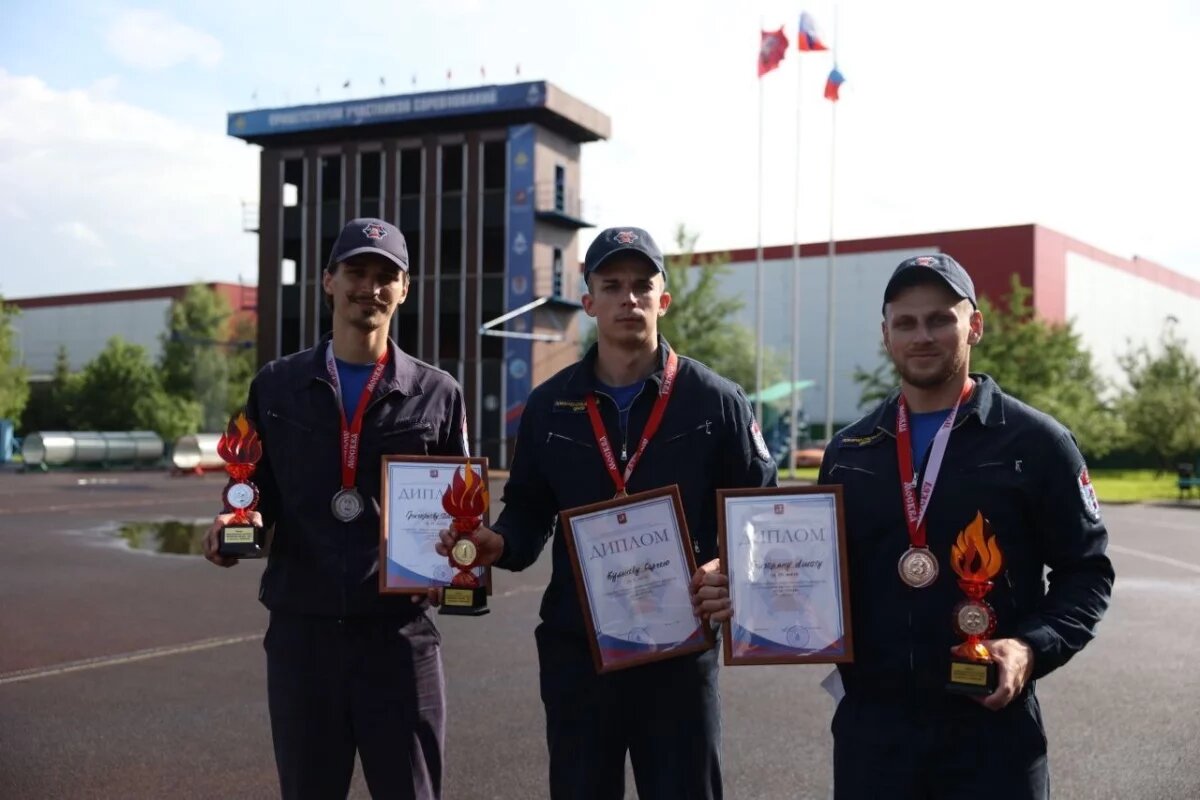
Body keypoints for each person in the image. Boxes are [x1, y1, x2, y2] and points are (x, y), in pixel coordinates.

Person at [436, 226, 777, 799]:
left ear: (663, 299)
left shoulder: (714, 400)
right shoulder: (549, 406)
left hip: (678, 652)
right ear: (589, 301)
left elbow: (758, 513)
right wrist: (498, 543)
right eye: (612, 286)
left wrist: (726, 567)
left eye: (643, 286)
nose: (629, 299)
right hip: (579, 651)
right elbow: (527, 513)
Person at [813, 254, 1114, 798]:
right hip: (874, 736)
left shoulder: (1036, 444)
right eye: (905, 322)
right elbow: (816, 575)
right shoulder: (850, 451)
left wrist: (1029, 647)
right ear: (886, 335)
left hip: (991, 733)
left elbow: (1087, 572)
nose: (922, 336)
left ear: (974, 324)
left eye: (940, 319)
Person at [204, 217, 468, 800]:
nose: (368, 288)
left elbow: (459, 514)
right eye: (355, 272)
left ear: (404, 289)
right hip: (304, 639)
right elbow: (257, 499)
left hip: (399, 642)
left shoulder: (437, 393)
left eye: (385, 276)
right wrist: (235, 525)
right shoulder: (276, 386)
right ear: (328, 280)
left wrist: (460, 562)